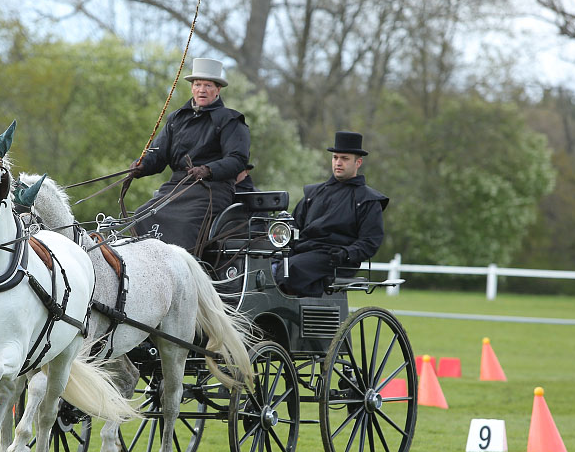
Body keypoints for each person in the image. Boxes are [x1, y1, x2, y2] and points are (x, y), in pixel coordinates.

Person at [129, 58, 250, 253]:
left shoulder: (231, 120)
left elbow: (238, 159)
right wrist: (141, 165)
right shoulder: (176, 118)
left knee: (184, 223)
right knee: (142, 215)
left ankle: (188, 274)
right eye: (198, 84)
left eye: (208, 85)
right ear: (192, 88)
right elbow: (158, 154)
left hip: (212, 190)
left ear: (218, 89)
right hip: (177, 186)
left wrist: (209, 170)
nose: (202, 89)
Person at [274, 131, 388, 297]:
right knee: (265, 266)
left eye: (345, 158)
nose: (338, 163)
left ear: (358, 162)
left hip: (335, 258)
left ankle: (289, 310)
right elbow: (294, 225)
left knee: (291, 269)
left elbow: (370, 241)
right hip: (303, 252)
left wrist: (347, 253)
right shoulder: (313, 194)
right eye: (335, 158)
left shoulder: (367, 200)